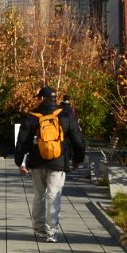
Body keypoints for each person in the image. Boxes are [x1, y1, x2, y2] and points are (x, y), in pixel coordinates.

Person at [14, 86, 85, 242]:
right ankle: (51, 232)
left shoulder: (32, 116)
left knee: (39, 195)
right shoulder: (65, 115)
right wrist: (78, 159)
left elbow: (22, 141)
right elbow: (78, 140)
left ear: (41, 99)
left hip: (37, 161)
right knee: (54, 195)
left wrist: (20, 161)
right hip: (58, 161)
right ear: (55, 99)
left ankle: (39, 229)